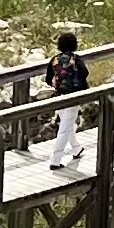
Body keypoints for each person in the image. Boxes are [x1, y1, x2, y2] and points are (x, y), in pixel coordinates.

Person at [45, 28, 91, 174]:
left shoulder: (54, 60)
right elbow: (85, 72)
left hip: (58, 96)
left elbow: (48, 79)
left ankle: (76, 148)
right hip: (72, 97)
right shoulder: (75, 59)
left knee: (66, 123)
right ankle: (55, 160)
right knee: (65, 128)